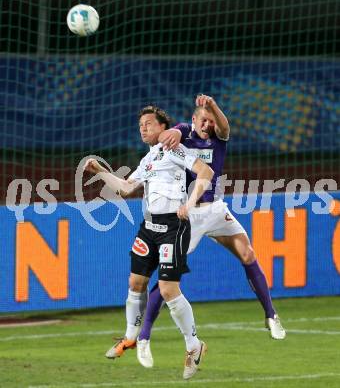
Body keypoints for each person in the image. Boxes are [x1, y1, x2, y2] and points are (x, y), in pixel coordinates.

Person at [136, 95, 286, 369]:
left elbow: (225, 126)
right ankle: (143, 336)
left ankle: (271, 315)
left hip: (215, 209)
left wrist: (213, 106)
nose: (207, 123)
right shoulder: (182, 134)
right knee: (169, 277)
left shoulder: (219, 138)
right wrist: (170, 131)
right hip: (188, 214)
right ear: (193, 120)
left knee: (247, 252)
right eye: (202, 119)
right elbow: (173, 131)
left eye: (210, 120)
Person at [84, 105, 214, 380]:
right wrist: (98, 170)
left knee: (168, 290)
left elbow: (206, 173)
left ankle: (194, 345)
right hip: (149, 228)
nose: (143, 128)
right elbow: (125, 187)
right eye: (140, 125)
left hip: (173, 227)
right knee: (135, 282)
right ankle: (130, 337)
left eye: (148, 124)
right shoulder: (149, 159)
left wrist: (190, 203)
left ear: (162, 127)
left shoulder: (177, 149)